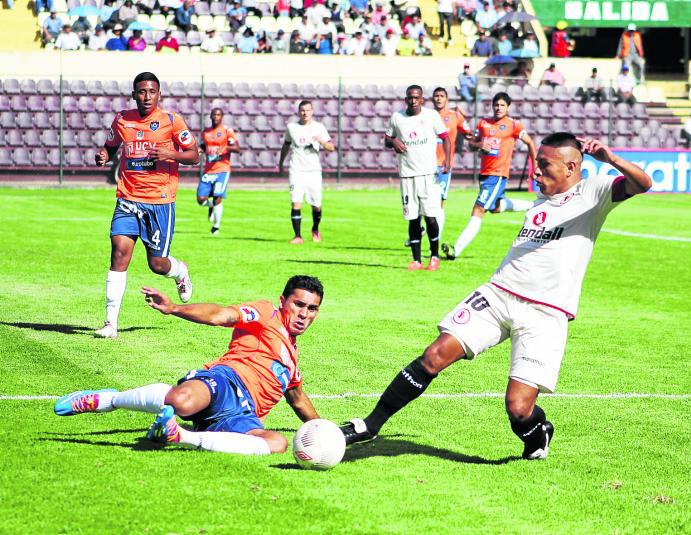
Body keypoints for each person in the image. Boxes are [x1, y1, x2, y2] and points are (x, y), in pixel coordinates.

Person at [339, 133, 652, 460]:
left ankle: (538, 432)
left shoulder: (594, 191)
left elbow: (642, 183)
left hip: (545, 313)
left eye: (543, 166)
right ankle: (370, 425)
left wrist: (611, 158)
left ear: (572, 166)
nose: (535, 173)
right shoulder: (543, 197)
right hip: (499, 292)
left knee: (518, 409)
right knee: (434, 355)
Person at [54, 276, 325, 456]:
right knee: (182, 402)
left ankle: (181, 436)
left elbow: (298, 398)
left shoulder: (291, 360)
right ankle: (107, 399)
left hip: (243, 415)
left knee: (277, 443)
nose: (303, 314)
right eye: (298, 304)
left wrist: (326, 431)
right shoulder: (267, 312)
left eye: (311, 309)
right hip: (226, 382)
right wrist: (173, 308)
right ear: (283, 301)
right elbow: (221, 315)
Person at [93, 72, 198, 339]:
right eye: (141, 92)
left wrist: (170, 153)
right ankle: (110, 323)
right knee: (119, 252)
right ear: (134, 95)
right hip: (128, 198)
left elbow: (194, 156)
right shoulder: (122, 119)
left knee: (157, 264)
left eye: (152, 91)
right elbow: (111, 145)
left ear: (159, 94)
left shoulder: (172, 122)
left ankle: (180, 271)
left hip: (159, 202)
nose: (147, 96)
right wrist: (105, 154)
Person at [442, 92, 537, 261]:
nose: (498, 108)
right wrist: (480, 145)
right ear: (492, 106)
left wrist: (535, 168)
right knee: (496, 207)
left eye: (502, 105)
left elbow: (530, 142)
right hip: (485, 174)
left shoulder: (514, 125)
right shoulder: (484, 123)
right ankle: (533, 205)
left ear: (508, 107)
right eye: (496, 105)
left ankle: (455, 250)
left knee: (478, 210)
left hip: (498, 175)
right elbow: (471, 144)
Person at [386, 85, 450, 271]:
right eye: (410, 98)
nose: (413, 101)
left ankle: (434, 256)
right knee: (413, 218)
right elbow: (386, 138)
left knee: (430, 217)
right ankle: (416, 260)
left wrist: (447, 160)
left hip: (428, 175)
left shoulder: (431, 116)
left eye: (416, 98)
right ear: (406, 99)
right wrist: (393, 141)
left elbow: (446, 138)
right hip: (407, 175)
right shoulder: (397, 118)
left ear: (422, 99)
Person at [279, 100, 335, 244]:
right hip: (296, 170)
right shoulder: (291, 127)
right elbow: (286, 145)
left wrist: (321, 141)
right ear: (299, 112)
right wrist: (281, 163)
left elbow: (331, 148)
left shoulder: (319, 127)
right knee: (295, 202)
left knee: (316, 205)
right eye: (302, 110)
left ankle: (315, 228)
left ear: (312, 111)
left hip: (313, 171)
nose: (305, 113)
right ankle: (298, 236)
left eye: (308, 110)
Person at [432, 87, 473, 240]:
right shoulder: (427, 116)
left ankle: (436, 238)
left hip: (444, 165)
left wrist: (465, 117)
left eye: (441, 96)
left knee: (440, 202)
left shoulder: (455, 116)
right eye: (436, 96)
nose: (438, 98)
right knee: (422, 200)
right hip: (426, 165)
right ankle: (421, 228)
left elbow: (469, 134)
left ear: (446, 99)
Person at [197, 108, 240, 235]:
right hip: (208, 170)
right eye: (214, 114)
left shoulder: (227, 131)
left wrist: (225, 148)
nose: (216, 117)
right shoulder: (206, 132)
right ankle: (211, 207)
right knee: (201, 199)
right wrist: (200, 149)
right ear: (210, 116)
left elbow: (237, 148)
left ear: (222, 117)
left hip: (222, 169)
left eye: (218, 115)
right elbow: (205, 146)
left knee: (217, 197)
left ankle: (216, 227)